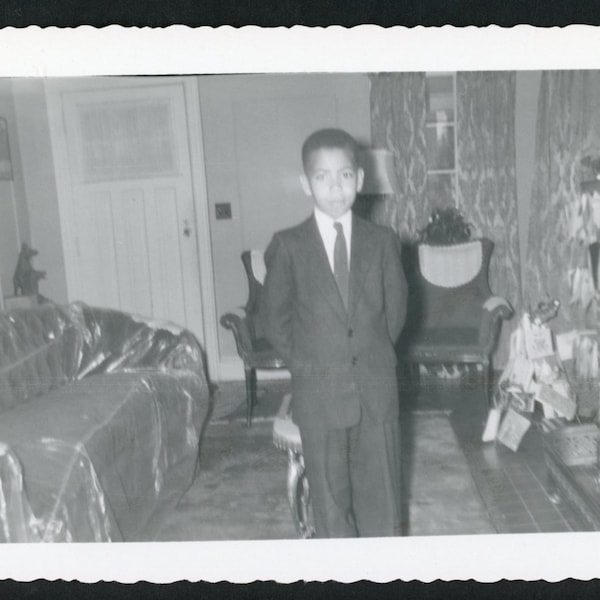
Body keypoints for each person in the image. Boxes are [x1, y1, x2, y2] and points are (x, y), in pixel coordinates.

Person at [260, 128, 408, 538]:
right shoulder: (288, 246)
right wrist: (311, 364)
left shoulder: (382, 242)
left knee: (383, 502)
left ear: (360, 180)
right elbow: (275, 321)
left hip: (375, 391)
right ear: (306, 183)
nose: (335, 187)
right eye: (322, 177)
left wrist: (369, 354)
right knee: (330, 504)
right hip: (319, 394)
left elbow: (394, 314)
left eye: (344, 175)